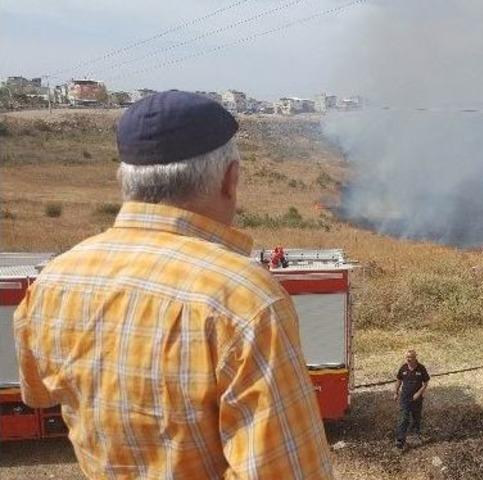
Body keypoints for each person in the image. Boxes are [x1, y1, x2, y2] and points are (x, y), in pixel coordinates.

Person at [13, 91, 333, 479]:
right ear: (230, 180)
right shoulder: (245, 300)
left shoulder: (54, 279)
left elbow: (38, 395)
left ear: (125, 181)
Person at [393, 349, 430, 450]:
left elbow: (426, 383)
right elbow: (399, 380)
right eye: (407, 357)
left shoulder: (421, 368)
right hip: (405, 398)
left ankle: (415, 435)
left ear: (415, 358)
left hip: (417, 400)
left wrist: (419, 393)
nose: (408, 359)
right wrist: (396, 392)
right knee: (403, 418)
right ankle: (400, 440)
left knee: (416, 418)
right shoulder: (403, 368)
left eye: (410, 357)